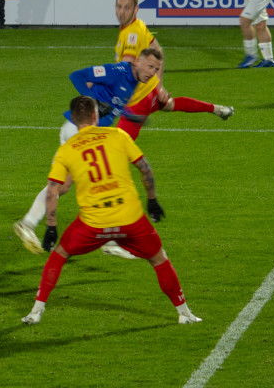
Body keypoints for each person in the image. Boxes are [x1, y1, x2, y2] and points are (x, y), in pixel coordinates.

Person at [22, 95, 200, 327]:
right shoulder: (117, 135)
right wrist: (152, 200)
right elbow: (145, 168)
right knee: (159, 259)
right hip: (130, 218)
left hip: (93, 223)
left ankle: (36, 311)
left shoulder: (66, 150)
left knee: (59, 254)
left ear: (74, 121)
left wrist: (51, 228)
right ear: (96, 115)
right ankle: (184, 313)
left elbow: (53, 191)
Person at [13, 48, 162, 254]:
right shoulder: (116, 71)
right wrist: (93, 100)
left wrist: (129, 114)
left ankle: (30, 224)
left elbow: (112, 102)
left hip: (89, 134)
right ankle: (105, 240)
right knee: (97, 182)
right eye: (150, 66)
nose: (152, 72)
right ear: (138, 62)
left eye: (156, 69)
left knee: (67, 186)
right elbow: (77, 76)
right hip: (78, 130)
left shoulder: (134, 82)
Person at [112, 0, 234, 141]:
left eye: (127, 8)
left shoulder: (132, 34)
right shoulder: (139, 24)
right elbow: (158, 50)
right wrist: (159, 86)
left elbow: (125, 68)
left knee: (117, 147)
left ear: (136, 9)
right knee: (169, 104)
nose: (121, 12)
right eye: (119, 7)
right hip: (151, 90)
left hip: (138, 100)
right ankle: (217, 109)